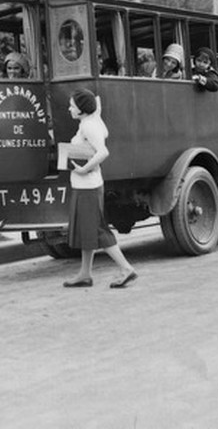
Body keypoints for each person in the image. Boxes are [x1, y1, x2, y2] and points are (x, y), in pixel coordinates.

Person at [62, 89, 138, 289]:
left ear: (81, 109)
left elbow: (103, 152)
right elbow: (96, 104)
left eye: (72, 105)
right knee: (89, 229)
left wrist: (83, 169)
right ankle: (85, 273)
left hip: (87, 185)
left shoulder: (88, 126)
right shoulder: (93, 121)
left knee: (96, 230)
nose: (69, 108)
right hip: (88, 185)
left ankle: (126, 268)